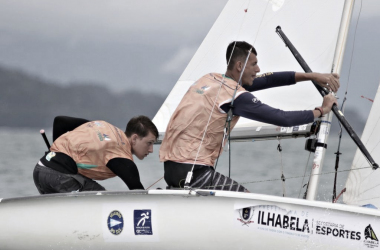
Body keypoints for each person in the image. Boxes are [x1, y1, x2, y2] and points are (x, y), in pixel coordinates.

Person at [159, 41, 339, 192]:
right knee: (246, 205)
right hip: (195, 172)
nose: (258, 69)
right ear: (239, 66)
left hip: (171, 168)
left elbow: (269, 79)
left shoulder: (210, 79)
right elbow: (282, 118)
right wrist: (321, 110)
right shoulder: (236, 96)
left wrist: (312, 76)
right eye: (254, 64)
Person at [33, 115, 158, 194]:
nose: (151, 149)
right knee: (104, 200)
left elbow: (60, 121)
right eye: (149, 143)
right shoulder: (122, 157)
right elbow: (138, 193)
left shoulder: (104, 127)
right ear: (134, 138)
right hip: (60, 177)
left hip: (40, 169)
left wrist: (55, 152)